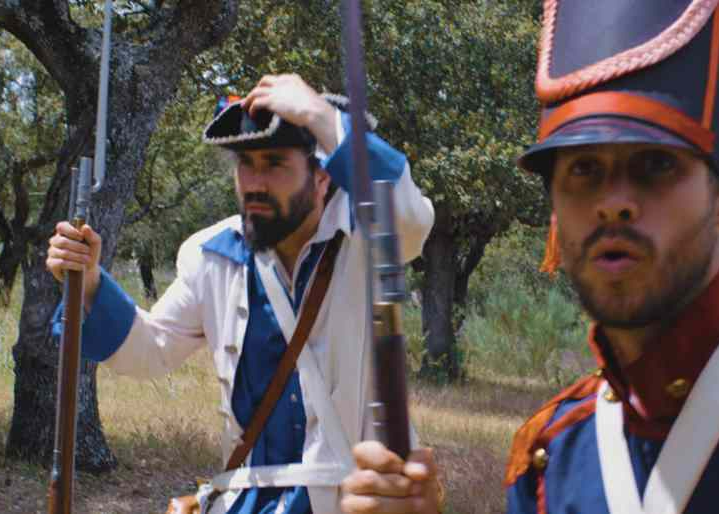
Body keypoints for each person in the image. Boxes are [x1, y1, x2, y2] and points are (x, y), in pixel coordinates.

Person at [339, 1, 719, 513]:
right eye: (584, 170)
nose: (613, 203)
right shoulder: (550, 457)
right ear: (553, 214)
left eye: (655, 165)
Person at [46, 73, 434, 514]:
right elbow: (151, 350)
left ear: (323, 176)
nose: (253, 182)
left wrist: (320, 116)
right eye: (245, 163)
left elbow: (408, 215)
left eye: (274, 163)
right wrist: (90, 281)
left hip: (352, 503)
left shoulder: (367, 237)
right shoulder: (211, 254)